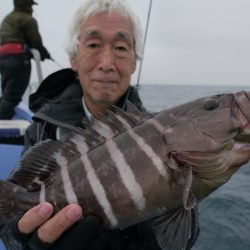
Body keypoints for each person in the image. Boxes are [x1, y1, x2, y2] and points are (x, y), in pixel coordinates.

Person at [0, 0, 199, 249]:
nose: (106, 63)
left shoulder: (166, 137)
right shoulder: (41, 130)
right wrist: (27, 244)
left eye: (121, 47)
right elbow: (9, 227)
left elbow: (185, 234)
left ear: (134, 62)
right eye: (93, 45)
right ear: (73, 58)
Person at [0, 0, 51, 119]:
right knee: (12, 97)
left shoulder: (8, 18)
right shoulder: (28, 19)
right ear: (27, 5)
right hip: (17, 59)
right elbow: (36, 43)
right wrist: (44, 54)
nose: (32, 8)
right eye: (31, 5)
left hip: (2, 58)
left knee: (7, 93)